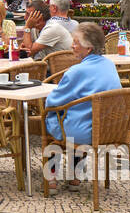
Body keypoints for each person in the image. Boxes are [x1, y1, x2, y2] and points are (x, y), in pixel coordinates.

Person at [43, 22, 119, 191]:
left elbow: (53, 101)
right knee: (80, 115)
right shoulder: (110, 65)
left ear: (89, 48)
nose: (72, 46)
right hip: (111, 130)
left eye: (76, 42)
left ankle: (52, 178)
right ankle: (75, 176)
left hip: (85, 132)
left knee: (51, 119)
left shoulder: (76, 71)